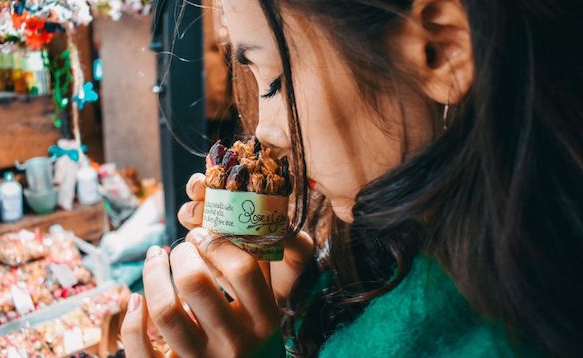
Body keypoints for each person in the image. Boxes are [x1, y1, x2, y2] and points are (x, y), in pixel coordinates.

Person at [121, 0, 583, 356]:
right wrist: (299, 303)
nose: (266, 132)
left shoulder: (498, 334)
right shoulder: (409, 255)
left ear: (440, 49)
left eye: (277, 82)